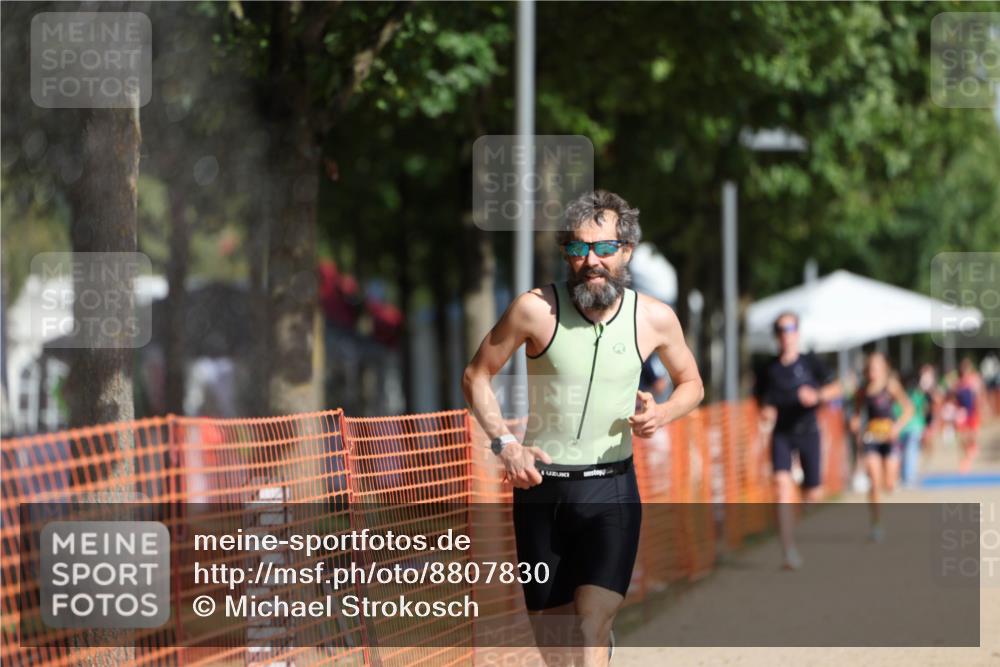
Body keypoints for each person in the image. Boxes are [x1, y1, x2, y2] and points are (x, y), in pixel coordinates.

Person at [462, 190, 703, 666]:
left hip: (611, 490)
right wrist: (506, 444)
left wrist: (663, 413)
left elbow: (691, 384)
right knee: (554, 649)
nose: (591, 260)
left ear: (626, 251)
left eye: (604, 248)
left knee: (592, 623)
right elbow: (476, 376)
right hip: (542, 492)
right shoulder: (534, 309)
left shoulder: (653, 317)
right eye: (578, 249)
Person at [754, 312, 840, 570]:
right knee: (781, 487)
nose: (786, 333)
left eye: (790, 328)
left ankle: (801, 500)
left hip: (809, 431)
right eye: (781, 329)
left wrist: (817, 395)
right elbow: (761, 401)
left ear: (798, 332)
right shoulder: (769, 369)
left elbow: (837, 388)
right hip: (782, 432)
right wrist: (766, 411)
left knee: (813, 494)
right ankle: (788, 551)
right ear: (776, 335)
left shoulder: (810, 362)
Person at [850, 352, 913, 542]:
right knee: (875, 481)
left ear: (884, 368)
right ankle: (876, 523)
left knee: (889, 484)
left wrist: (897, 427)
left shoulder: (891, 385)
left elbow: (908, 408)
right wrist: (854, 422)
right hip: (871, 438)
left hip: (890, 437)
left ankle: (893, 480)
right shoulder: (862, 390)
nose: (873, 372)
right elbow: (857, 412)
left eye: (877, 368)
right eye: (870, 368)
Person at [896, 371, 928, 488]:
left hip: (905, 428)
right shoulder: (917, 395)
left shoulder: (902, 395)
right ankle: (908, 477)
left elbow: (897, 410)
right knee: (911, 453)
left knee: (905, 453)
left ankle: (906, 477)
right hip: (912, 428)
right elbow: (923, 410)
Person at [954, 358, 985, 473]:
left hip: (972, 412)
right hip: (962, 412)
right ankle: (965, 458)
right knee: (961, 437)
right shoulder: (958, 383)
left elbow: (978, 396)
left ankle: (970, 453)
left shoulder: (974, 381)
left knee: (972, 436)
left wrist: (981, 408)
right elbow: (955, 398)